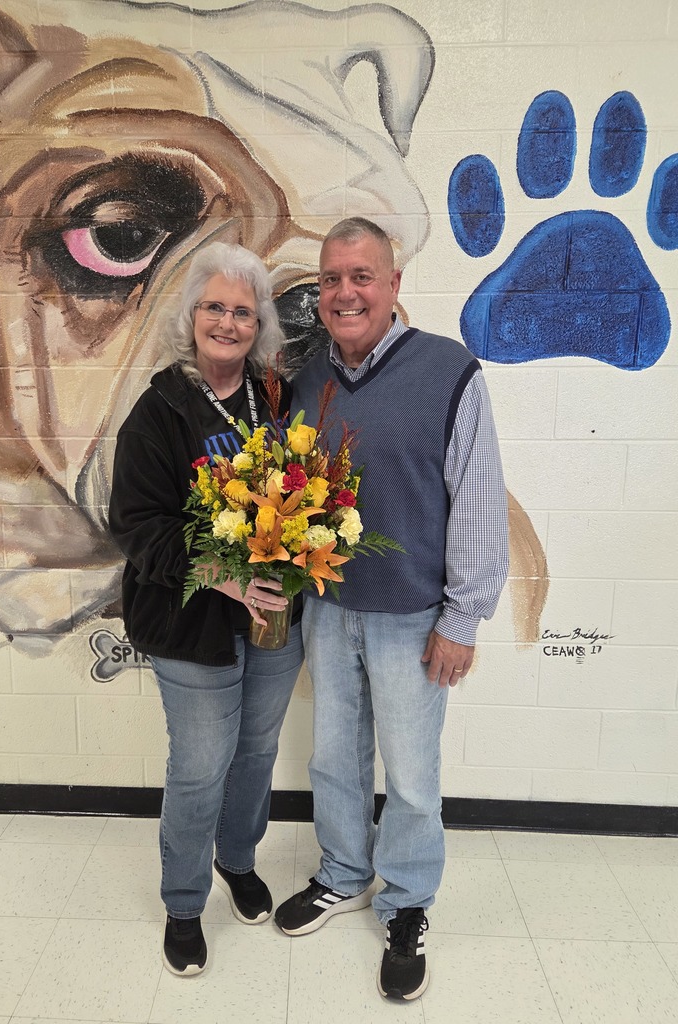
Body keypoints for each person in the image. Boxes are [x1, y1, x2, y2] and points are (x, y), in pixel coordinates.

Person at [275, 218, 509, 1001]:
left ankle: (406, 901)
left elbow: (476, 498)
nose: (345, 292)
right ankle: (344, 873)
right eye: (332, 278)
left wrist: (462, 618)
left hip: (415, 618)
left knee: (410, 774)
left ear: (394, 282)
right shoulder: (306, 378)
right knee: (334, 759)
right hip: (330, 608)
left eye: (362, 276)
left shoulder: (449, 371)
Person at [108, 241, 304, 977]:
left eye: (243, 312)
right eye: (215, 307)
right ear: (191, 317)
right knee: (199, 766)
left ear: (260, 326)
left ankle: (238, 860)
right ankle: (185, 903)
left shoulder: (273, 396)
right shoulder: (159, 409)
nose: (228, 322)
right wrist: (222, 577)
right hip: (192, 625)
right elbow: (135, 526)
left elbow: (306, 493)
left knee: (255, 753)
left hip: (273, 620)